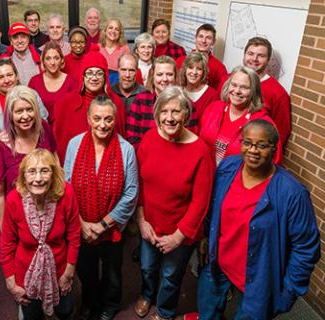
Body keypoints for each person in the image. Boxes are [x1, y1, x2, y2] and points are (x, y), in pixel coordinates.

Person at [195, 119, 320, 320]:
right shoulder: (228, 167)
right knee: (207, 313)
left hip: (261, 277)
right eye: (247, 142)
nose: (252, 150)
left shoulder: (292, 193)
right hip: (218, 263)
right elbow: (213, 205)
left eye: (261, 145)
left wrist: (289, 291)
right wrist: (205, 238)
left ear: (274, 148)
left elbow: (305, 247)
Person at [134, 86, 213, 320]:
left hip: (180, 231)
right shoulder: (149, 139)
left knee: (170, 275)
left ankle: (165, 310)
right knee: (147, 268)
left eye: (176, 112)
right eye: (165, 111)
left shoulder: (200, 151)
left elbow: (201, 201)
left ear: (185, 115)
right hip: (149, 224)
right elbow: (139, 181)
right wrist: (141, 220)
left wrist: (178, 237)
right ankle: (148, 295)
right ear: (157, 114)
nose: (170, 118)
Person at [64, 95, 138, 320]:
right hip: (81, 225)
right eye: (97, 118)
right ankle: (89, 305)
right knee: (85, 271)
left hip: (112, 228)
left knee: (112, 272)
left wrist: (103, 224)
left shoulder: (126, 150)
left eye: (108, 119)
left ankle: (110, 305)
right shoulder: (74, 144)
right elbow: (66, 188)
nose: (102, 124)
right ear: (88, 118)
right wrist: (82, 223)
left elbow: (131, 194)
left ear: (115, 120)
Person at [0, 148, 81, 320]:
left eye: (44, 171)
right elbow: (7, 243)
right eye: (32, 172)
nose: (38, 178)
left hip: (60, 270)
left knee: (65, 311)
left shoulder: (66, 194)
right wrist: (11, 282)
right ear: (23, 176)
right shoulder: (14, 199)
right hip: (26, 273)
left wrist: (69, 272)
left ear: (53, 174)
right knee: (32, 316)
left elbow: (74, 235)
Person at [0, 85, 56, 229]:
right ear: (10, 114)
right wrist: (5, 230)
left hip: (50, 208)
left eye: (29, 109)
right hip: (20, 218)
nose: (25, 116)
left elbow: (55, 161)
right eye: (19, 111)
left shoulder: (44, 128)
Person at [53, 46, 127, 163]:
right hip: (74, 165)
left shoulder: (116, 103)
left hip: (107, 165)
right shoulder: (66, 103)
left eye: (99, 73)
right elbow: (59, 143)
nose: (94, 78)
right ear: (83, 76)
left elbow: (122, 143)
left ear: (105, 77)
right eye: (89, 73)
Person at [199, 65, 282, 165]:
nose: (237, 91)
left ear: (254, 91)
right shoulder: (213, 109)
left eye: (244, 87)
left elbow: (272, 164)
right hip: (205, 175)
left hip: (236, 179)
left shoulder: (263, 124)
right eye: (234, 85)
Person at [127, 55, 198, 148]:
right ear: (152, 76)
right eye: (159, 74)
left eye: (169, 74)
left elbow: (190, 139)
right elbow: (132, 138)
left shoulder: (187, 104)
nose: (164, 79)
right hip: (145, 158)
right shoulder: (140, 100)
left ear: (176, 76)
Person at [0, 58, 48, 148]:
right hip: (5, 152)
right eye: (1, 77)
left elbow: (43, 121)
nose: (7, 80)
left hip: (34, 147)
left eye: (10, 75)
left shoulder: (32, 95)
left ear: (17, 76)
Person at [29, 42, 77, 122]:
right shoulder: (34, 82)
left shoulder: (71, 82)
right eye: (48, 58)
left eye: (56, 58)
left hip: (65, 129)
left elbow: (75, 112)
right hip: (40, 130)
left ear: (61, 60)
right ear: (43, 61)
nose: (52, 63)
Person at [176, 24, 227, 91]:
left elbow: (220, 94)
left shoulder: (220, 68)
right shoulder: (180, 61)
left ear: (213, 41)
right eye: (201, 36)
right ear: (195, 38)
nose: (203, 41)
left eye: (208, 38)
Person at [180, 52, 219, 120]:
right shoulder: (179, 91)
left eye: (199, 69)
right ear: (185, 69)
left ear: (204, 72)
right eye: (191, 68)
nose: (194, 72)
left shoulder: (212, 96)